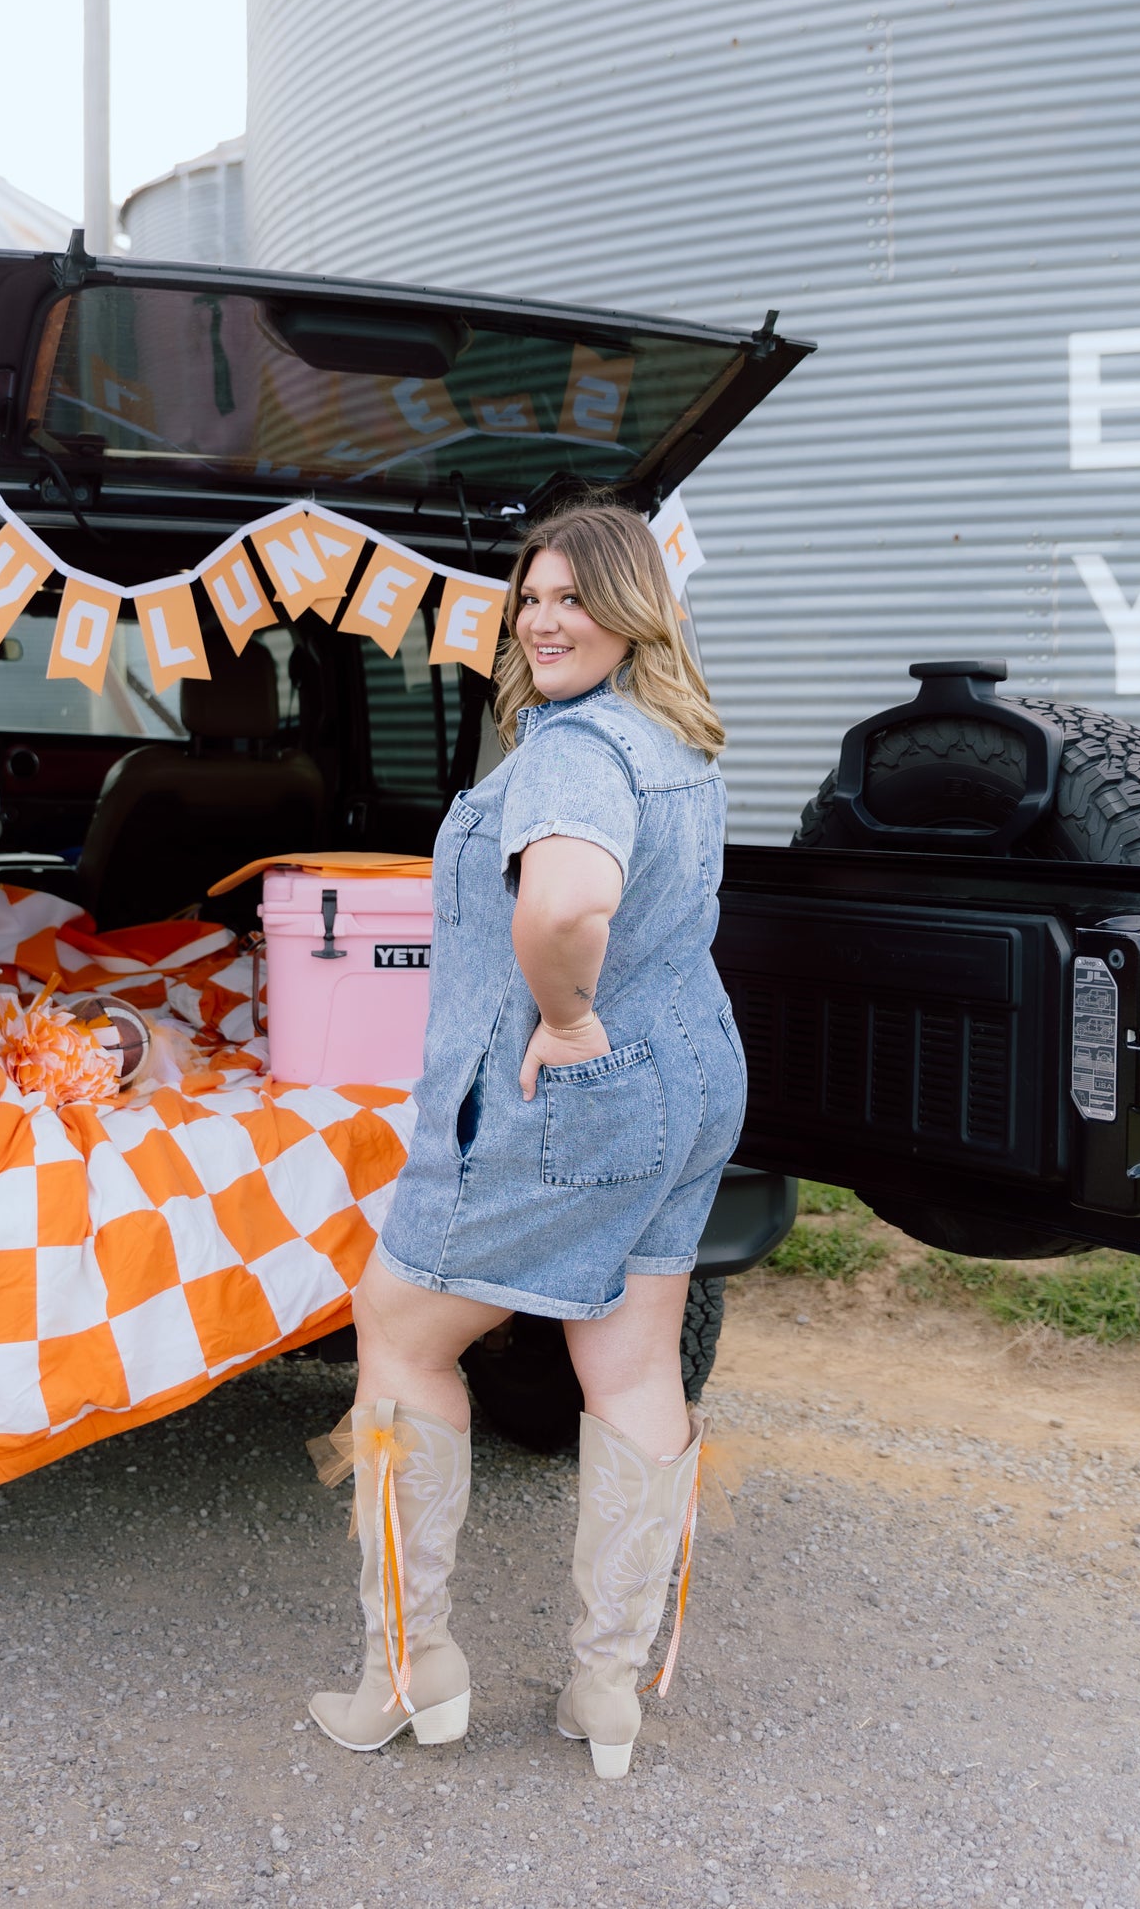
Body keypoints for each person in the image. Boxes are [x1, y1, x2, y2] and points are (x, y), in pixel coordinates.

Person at [308, 500, 747, 1779]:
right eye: (531, 595)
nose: (544, 618)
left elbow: (563, 902)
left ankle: (408, 1671)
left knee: (396, 1325)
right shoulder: (677, 738)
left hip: (572, 1087)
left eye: (574, 595)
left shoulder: (570, 751)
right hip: (685, 1085)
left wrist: (560, 1016)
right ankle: (606, 1687)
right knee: (631, 1362)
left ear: (636, 607)